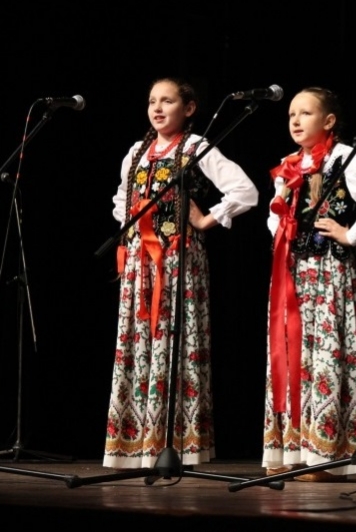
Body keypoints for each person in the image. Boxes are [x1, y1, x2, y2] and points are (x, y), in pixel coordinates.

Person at [104, 77, 258, 469]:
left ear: (188, 109)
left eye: (167, 101)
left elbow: (245, 191)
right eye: (152, 101)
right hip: (140, 263)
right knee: (140, 341)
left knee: (175, 341)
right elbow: (122, 200)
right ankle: (136, 442)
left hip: (177, 260)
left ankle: (175, 442)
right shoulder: (136, 152)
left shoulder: (195, 148)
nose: (157, 108)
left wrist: (206, 220)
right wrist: (135, 232)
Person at [264, 87, 356, 481]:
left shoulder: (345, 157)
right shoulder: (289, 164)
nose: (295, 120)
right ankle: (294, 449)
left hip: (328, 272)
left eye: (305, 113)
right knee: (292, 357)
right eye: (291, 114)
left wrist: (350, 234)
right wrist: (282, 232)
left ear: (328, 121)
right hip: (293, 272)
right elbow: (274, 213)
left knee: (325, 357)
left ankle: (325, 453)